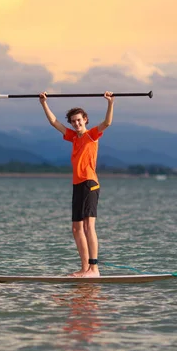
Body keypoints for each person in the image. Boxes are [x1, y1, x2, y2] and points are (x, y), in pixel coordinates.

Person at [39, 91, 114, 277]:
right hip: (77, 184)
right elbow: (54, 122)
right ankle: (84, 269)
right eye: (73, 121)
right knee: (76, 228)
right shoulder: (73, 137)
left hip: (90, 184)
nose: (76, 123)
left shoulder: (92, 136)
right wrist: (43, 103)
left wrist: (110, 103)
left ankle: (94, 269)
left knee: (89, 227)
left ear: (85, 120)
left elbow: (107, 123)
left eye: (79, 120)